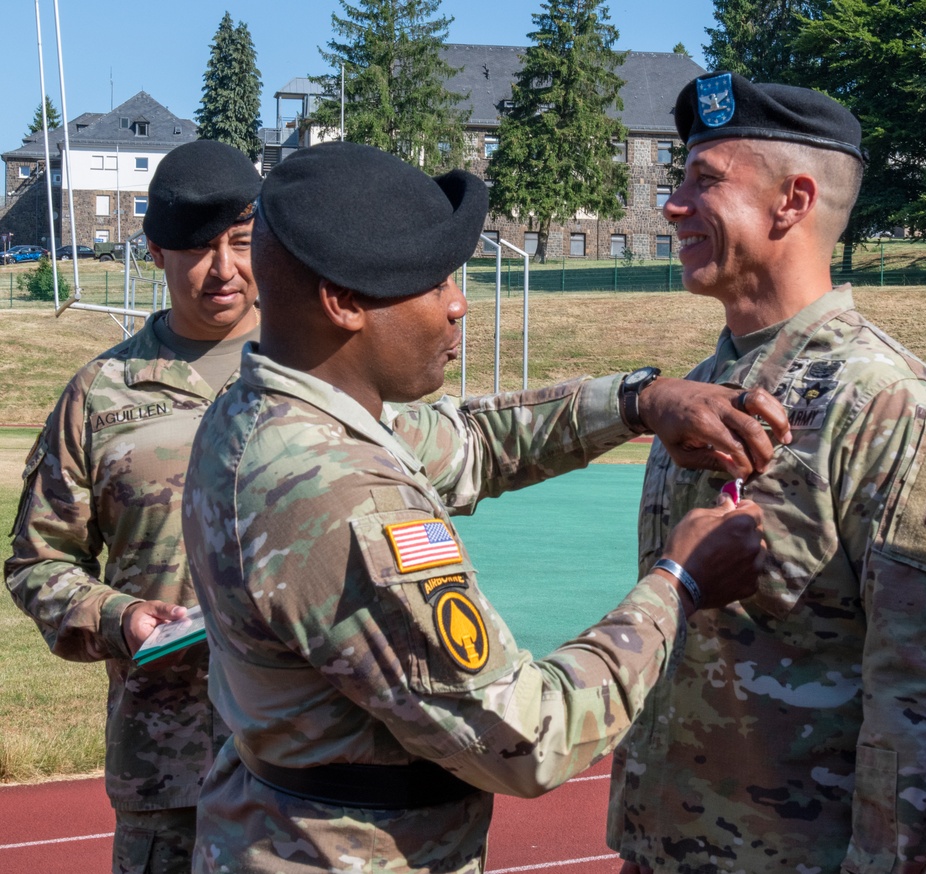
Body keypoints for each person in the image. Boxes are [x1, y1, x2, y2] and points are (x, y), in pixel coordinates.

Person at [179, 140, 790, 873]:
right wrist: (679, 585)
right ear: (343, 302)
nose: (457, 304)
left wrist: (638, 400)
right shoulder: (342, 496)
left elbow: (469, 441)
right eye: (433, 283)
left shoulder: (263, 417)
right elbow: (525, 739)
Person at [606, 71, 926, 874]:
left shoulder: (891, 407)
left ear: (792, 202)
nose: (672, 205)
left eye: (703, 181)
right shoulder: (699, 392)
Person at [4, 138, 262, 874]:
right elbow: (38, 560)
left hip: (313, 756)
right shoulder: (102, 392)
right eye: (196, 249)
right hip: (169, 766)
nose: (223, 270)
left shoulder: (314, 371)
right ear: (154, 252)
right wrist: (118, 618)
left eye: (241, 244)